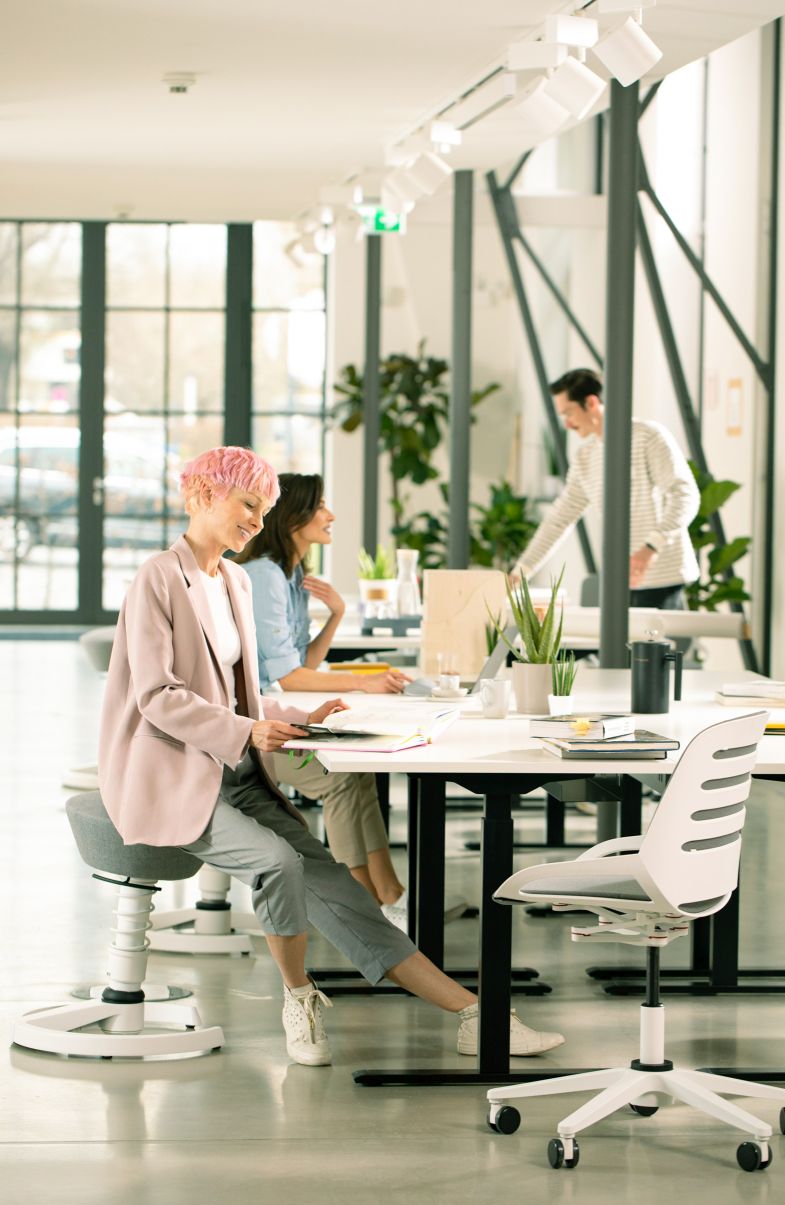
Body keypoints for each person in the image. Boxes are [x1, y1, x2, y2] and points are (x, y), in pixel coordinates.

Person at [98, 446, 564, 1066]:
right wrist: (245, 731)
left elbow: (248, 693)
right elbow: (157, 695)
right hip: (178, 776)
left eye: (263, 511)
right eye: (247, 506)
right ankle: (299, 997)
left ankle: (473, 1015)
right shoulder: (159, 577)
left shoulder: (233, 579)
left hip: (239, 772)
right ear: (203, 495)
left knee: (340, 890)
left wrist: (298, 716)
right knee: (276, 863)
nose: (256, 522)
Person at [234, 472, 411, 928]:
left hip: (278, 712)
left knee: (359, 773)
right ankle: (364, 905)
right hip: (255, 731)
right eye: (320, 508)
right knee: (340, 779)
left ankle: (389, 894)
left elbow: (300, 661)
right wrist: (365, 684)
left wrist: (336, 616)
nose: (330, 516)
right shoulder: (264, 576)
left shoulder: (291, 575)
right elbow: (291, 679)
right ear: (292, 517)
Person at [513, 368, 700, 611]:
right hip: (618, 581)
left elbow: (685, 495)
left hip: (662, 578)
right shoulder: (585, 457)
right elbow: (560, 518)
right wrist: (522, 571)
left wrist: (651, 548)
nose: (567, 424)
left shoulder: (648, 437)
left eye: (568, 412)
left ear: (591, 402)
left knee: (651, 649)